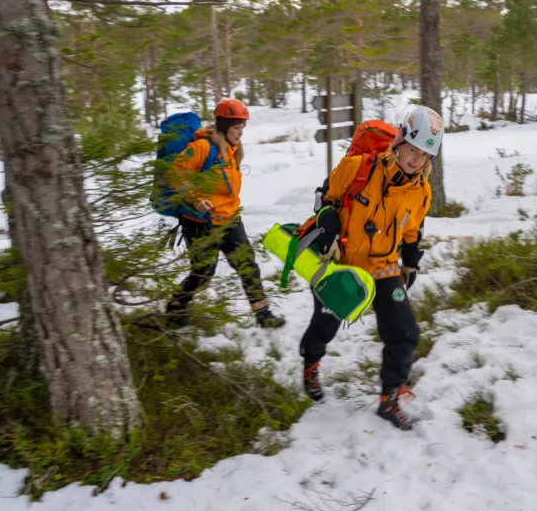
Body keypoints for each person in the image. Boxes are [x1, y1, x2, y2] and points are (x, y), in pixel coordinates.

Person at [299, 105, 443, 430]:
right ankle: (311, 363)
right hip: (342, 266)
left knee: (405, 333)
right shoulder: (359, 168)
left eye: (425, 154)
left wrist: (411, 262)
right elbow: (327, 199)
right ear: (400, 141)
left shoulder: (421, 190)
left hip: (383, 268)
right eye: (413, 149)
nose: (417, 159)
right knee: (325, 327)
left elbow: (411, 231)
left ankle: (390, 398)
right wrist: (328, 222)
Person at [165, 98, 285, 329]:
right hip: (201, 222)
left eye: (242, 128)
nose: (240, 132)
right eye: (236, 127)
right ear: (223, 125)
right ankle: (175, 307)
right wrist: (197, 199)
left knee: (247, 264)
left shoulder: (232, 149)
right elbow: (176, 173)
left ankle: (263, 314)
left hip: (229, 219)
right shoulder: (202, 147)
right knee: (203, 273)